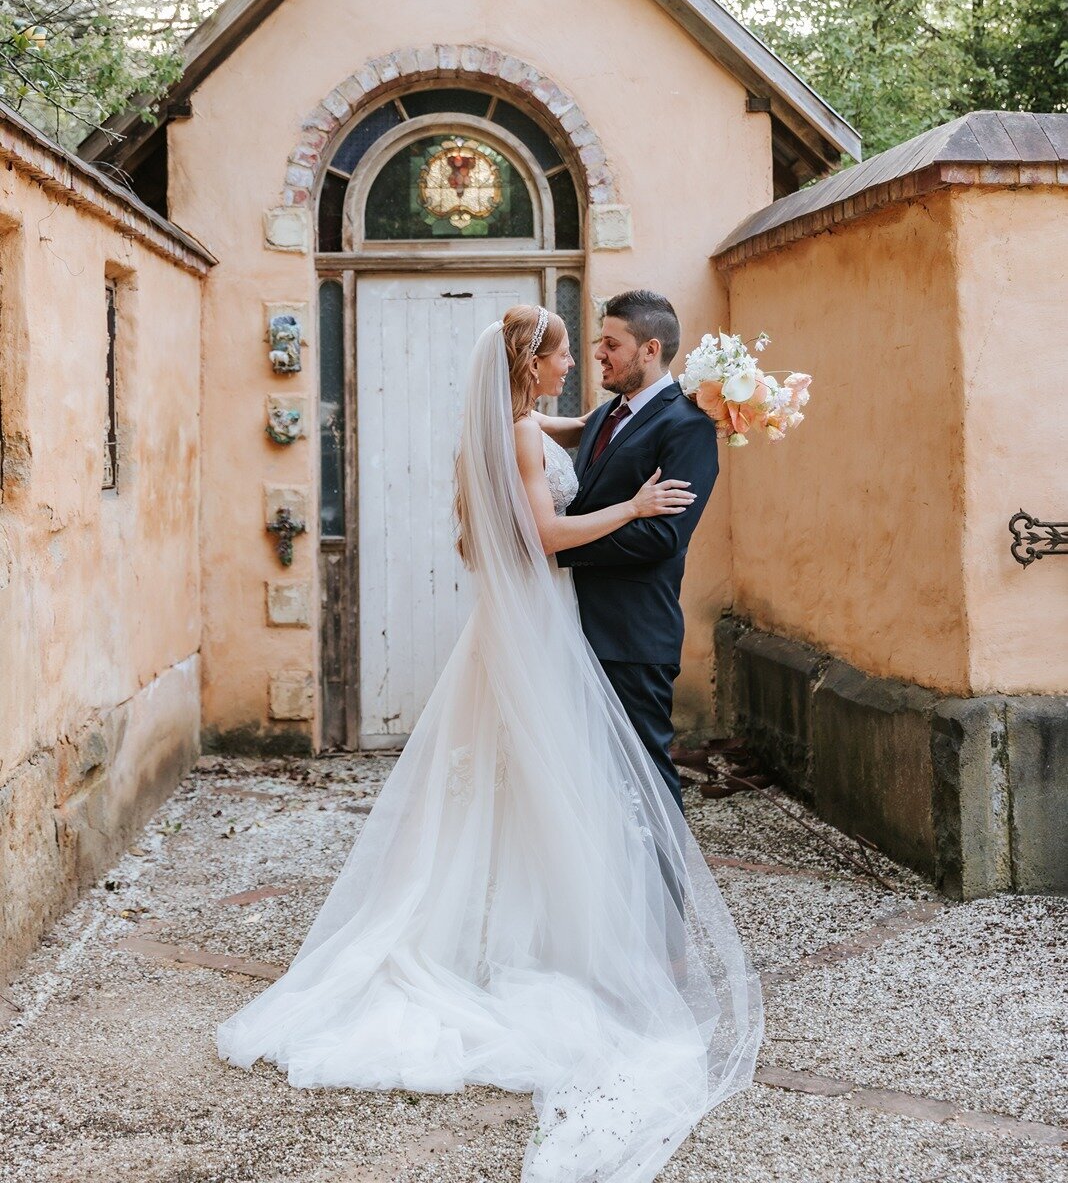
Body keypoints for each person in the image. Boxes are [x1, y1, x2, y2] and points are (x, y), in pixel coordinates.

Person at [217, 306, 762, 1183]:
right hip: (541, 614)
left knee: (531, 779)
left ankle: (543, 926)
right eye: (564, 356)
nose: (577, 364)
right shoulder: (513, 433)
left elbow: (577, 426)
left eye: (599, 349)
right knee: (548, 775)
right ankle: (553, 941)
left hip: (536, 621)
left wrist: (688, 397)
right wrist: (631, 499)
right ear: (529, 363)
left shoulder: (518, 420)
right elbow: (546, 534)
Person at [552, 291, 718, 815]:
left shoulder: (686, 425)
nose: (597, 354)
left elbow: (662, 538)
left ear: (649, 350)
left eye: (610, 344)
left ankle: (662, 895)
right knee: (592, 777)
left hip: (633, 635)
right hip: (574, 624)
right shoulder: (603, 417)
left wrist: (561, 548)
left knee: (644, 775)